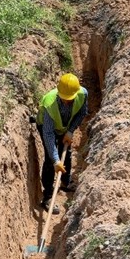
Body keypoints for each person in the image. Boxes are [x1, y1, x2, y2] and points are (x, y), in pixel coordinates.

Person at [36, 72, 88, 213]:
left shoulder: (82, 94)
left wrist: (70, 130)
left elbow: (82, 113)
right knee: (49, 160)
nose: (66, 101)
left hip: (65, 127)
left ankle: (66, 181)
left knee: (67, 152)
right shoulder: (49, 104)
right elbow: (48, 134)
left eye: (69, 99)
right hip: (47, 127)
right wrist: (55, 160)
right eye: (64, 99)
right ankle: (47, 197)